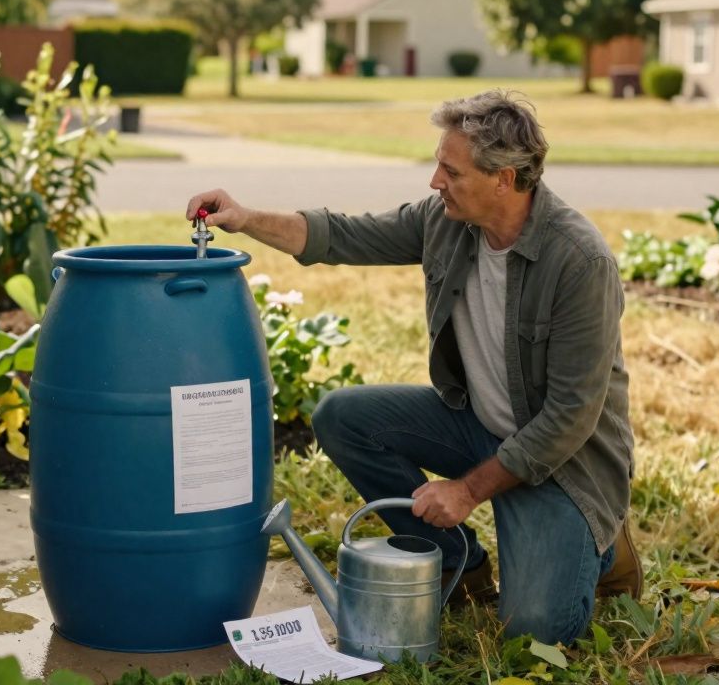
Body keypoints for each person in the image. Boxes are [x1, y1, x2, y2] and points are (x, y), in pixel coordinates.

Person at [184, 90, 640, 646]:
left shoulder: (579, 262)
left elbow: (569, 418)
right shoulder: (445, 221)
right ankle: (458, 562)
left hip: (562, 462)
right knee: (343, 416)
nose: (434, 182)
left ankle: (606, 541)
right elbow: (342, 235)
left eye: (451, 170)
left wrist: (467, 491)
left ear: (505, 178)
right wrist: (245, 217)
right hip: (478, 425)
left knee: (534, 632)